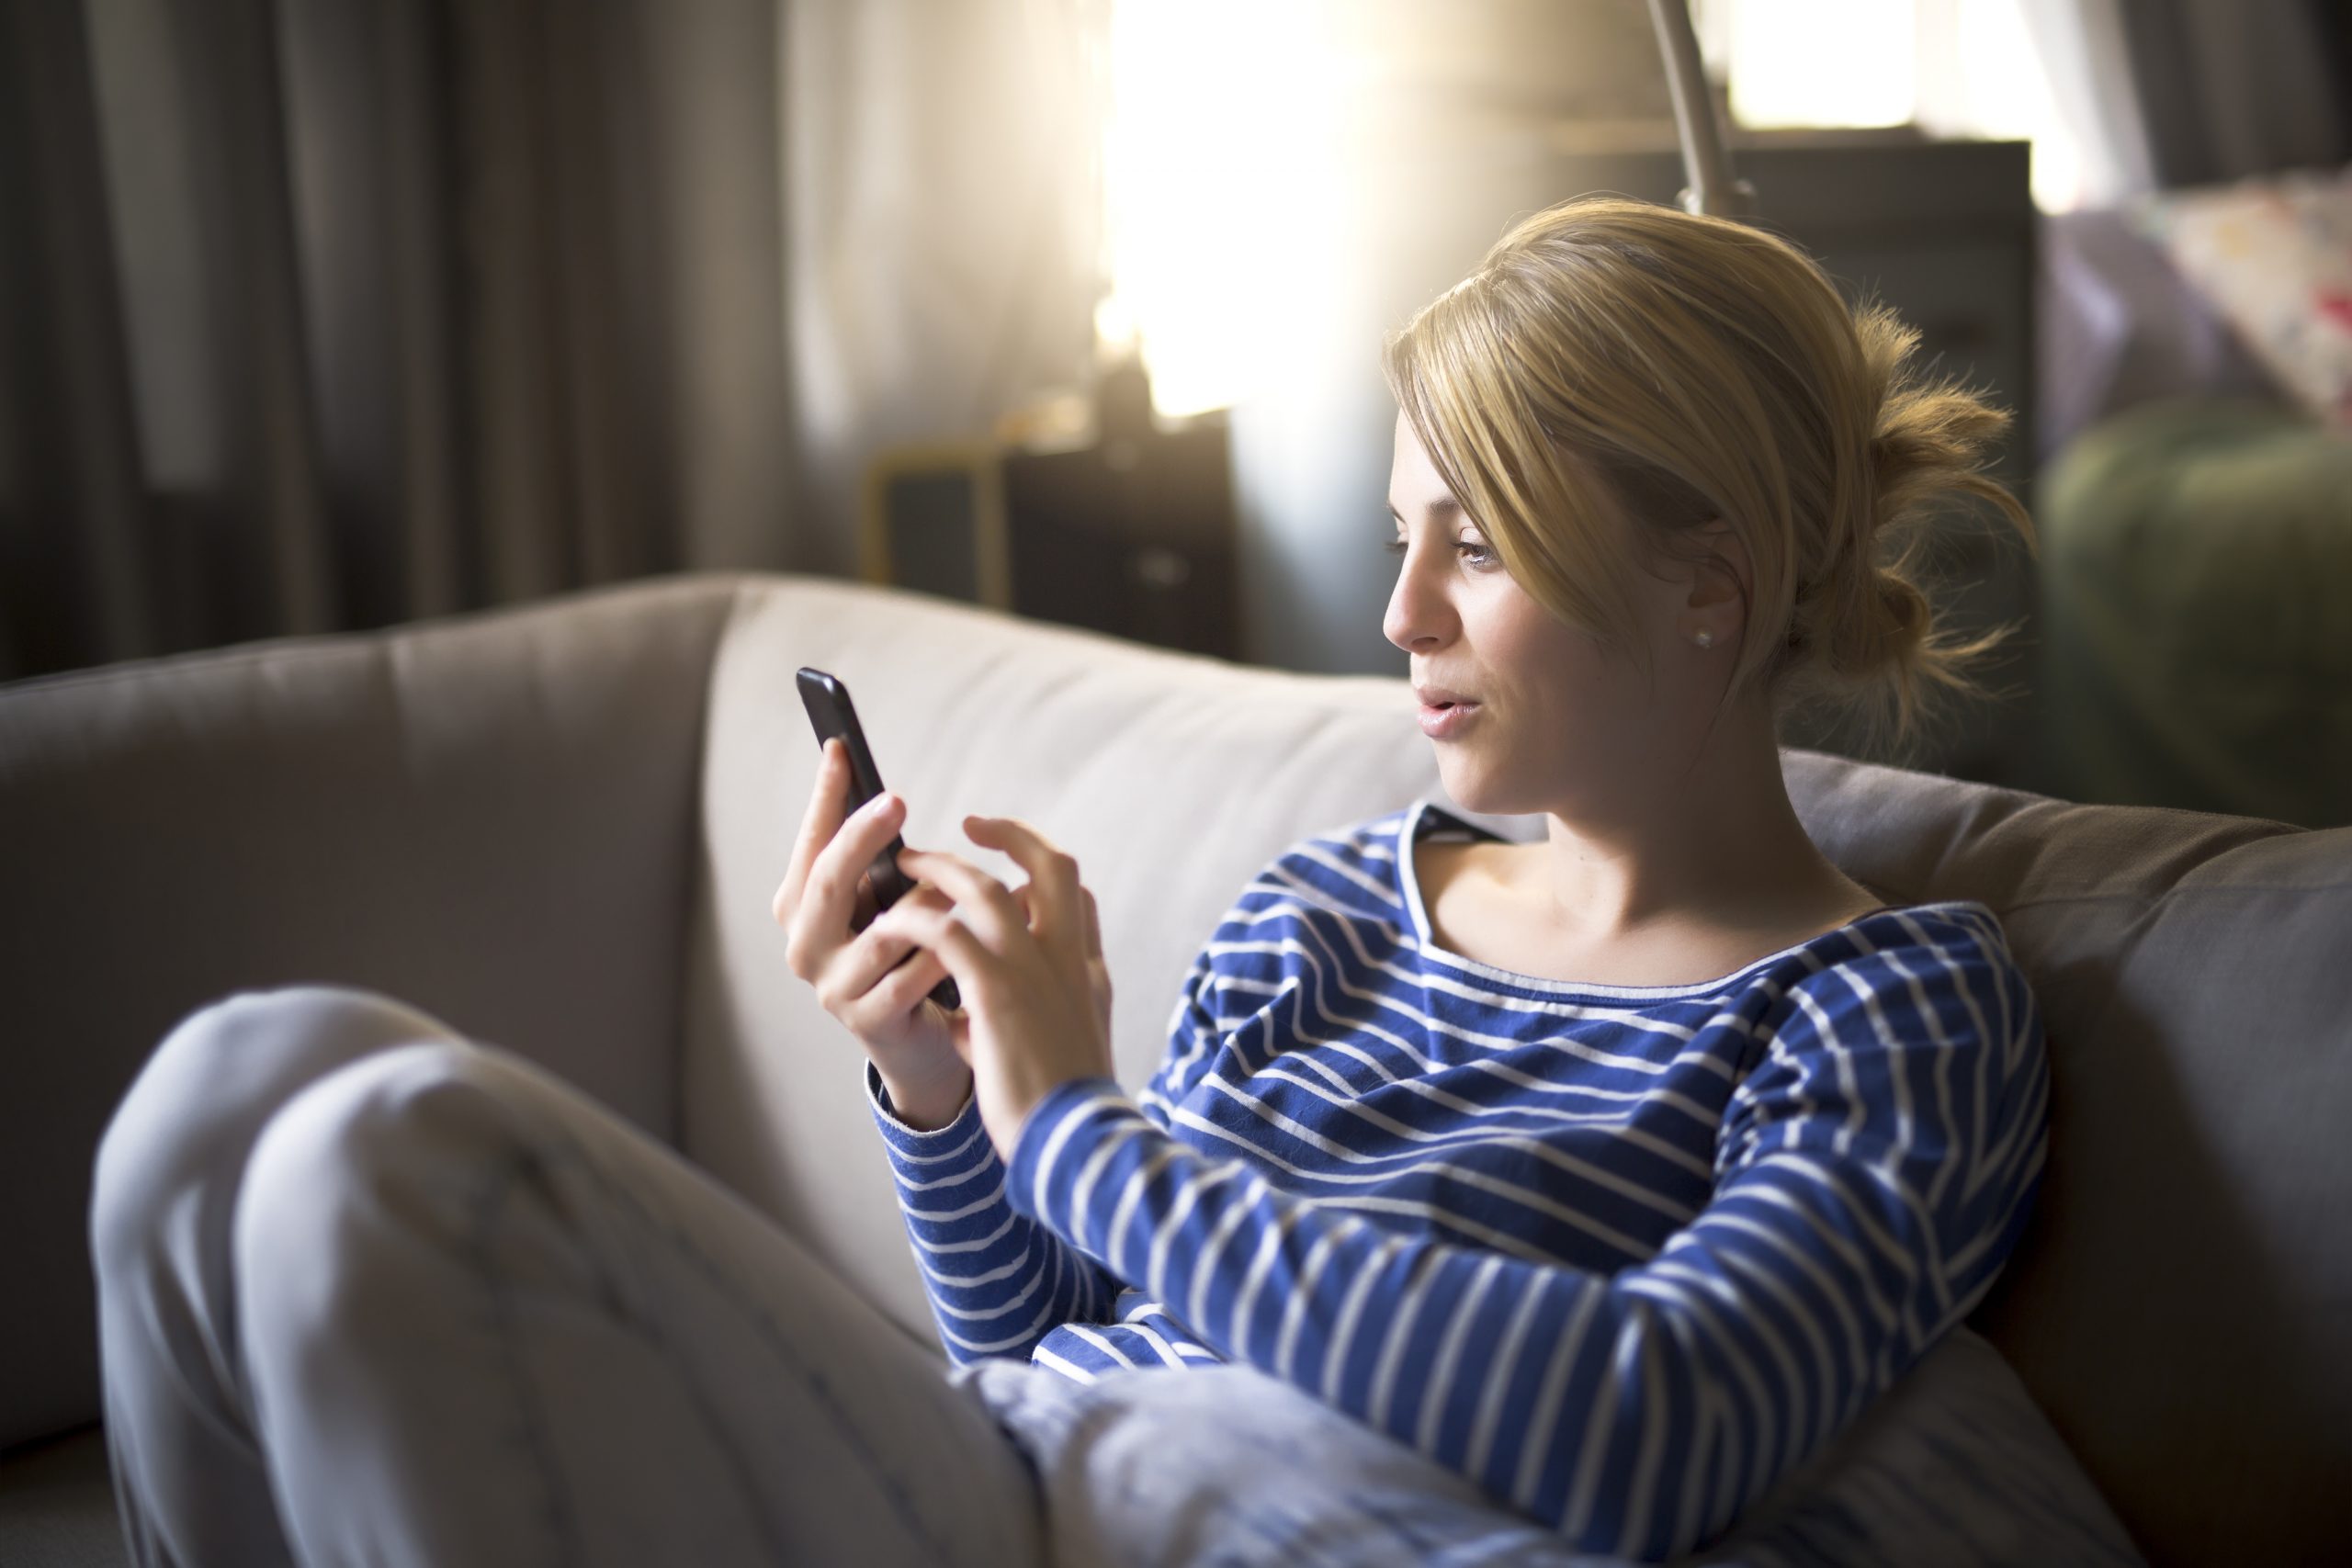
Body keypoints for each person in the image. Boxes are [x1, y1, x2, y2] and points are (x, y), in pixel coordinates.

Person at [89, 193, 2050, 1567]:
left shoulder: (1888, 1009)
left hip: (1186, 1524)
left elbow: (1653, 1426)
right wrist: (947, 1095)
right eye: (1396, 534)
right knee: (229, 1081)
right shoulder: (1328, 913)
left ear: (1703, 585)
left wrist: (1081, 1128)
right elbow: (1034, 1340)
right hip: (1021, 1468)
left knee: (396, 1157)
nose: (1392, 613)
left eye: (1475, 547)